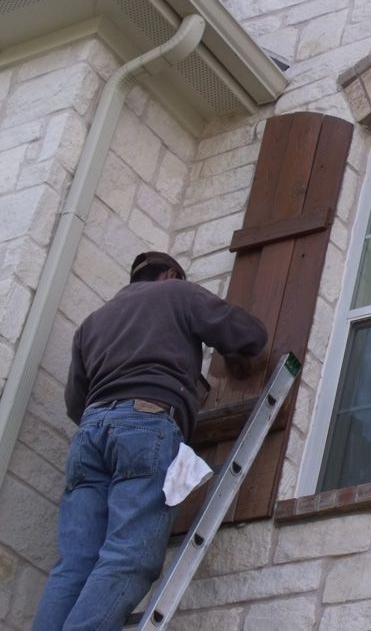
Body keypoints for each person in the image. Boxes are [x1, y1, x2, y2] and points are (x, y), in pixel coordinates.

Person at [33, 251, 267, 631]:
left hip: (89, 435)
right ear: (171, 274)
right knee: (129, 557)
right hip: (146, 424)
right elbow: (249, 334)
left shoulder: (92, 323)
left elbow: (75, 403)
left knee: (74, 565)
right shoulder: (177, 293)